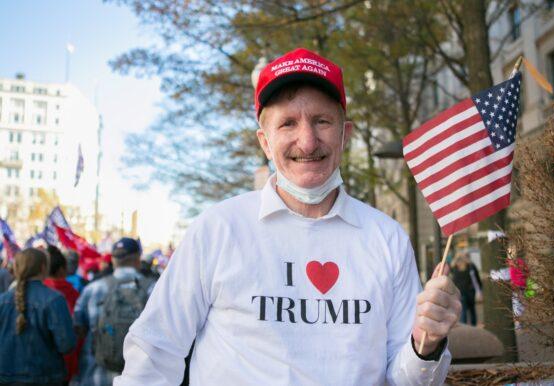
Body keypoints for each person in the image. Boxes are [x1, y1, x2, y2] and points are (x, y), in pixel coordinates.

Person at [116, 48, 461, 386]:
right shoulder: (218, 229)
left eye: (322, 121)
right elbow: (155, 352)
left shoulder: (387, 239)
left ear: (346, 135)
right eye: (288, 123)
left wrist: (425, 344)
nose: (307, 142)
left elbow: (407, 380)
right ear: (265, 142)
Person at [73, 237, 154, 386]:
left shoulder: (92, 289)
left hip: (97, 376)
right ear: (137, 258)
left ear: (114, 260)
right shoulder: (154, 290)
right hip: (140, 377)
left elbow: (78, 329)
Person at [0, 248, 76, 385]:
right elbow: (67, 345)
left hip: (6, 377)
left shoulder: (2, 300)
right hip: (47, 377)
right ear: (43, 267)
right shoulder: (54, 299)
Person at [43, 245, 82, 383]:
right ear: (61, 270)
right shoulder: (73, 293)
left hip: (35, 365)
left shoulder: (30, 292)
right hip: (66, 361)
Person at [450, 253, 482, 326]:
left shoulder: (456, 267)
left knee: (463, 311)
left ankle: (464, 327)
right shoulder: (470, 266)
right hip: (469, 292)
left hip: (461, 292)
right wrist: (479, 290)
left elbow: (452, 265)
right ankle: (473, 326)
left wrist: (456, 256)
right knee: (472, 310)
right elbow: (477, 279)